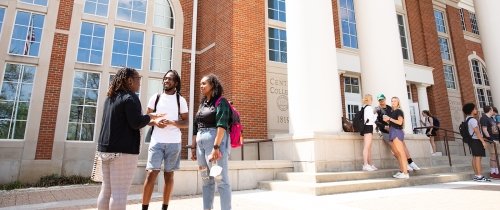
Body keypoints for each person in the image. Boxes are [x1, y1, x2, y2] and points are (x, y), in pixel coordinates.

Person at [97, 67, 164, 210]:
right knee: (119, 194)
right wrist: (150, 117)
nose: (139, 82)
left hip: (105, 150)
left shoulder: (110, 98)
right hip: (123, 152)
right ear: (129, 80)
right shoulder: (131, 97)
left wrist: (151, 120)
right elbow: (136, 123)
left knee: (106, 191)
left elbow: (126, 121)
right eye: (138, 79)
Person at [141, 70, 189, 210]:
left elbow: (186, 123)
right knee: (151, 174)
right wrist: (155, 123)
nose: (166, 81)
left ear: (176, 83)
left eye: (169, 79)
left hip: (174, 143)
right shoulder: (155, 98)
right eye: (165, 79)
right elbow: (146, 119)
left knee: (169, 175)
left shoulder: (181, 100)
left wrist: (173, 122)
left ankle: (164, 207)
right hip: (157, 141)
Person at [191, 74, 232, 210]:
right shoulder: (203, 104)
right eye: (200, 84)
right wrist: (193, 147)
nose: (201, 86)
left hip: (214, 144)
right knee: (206, 180)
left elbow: (222, 125)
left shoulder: (221, 102)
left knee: (220, 181)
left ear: (212, 85)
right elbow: (195, 126)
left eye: (204, 84)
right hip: (200, 146)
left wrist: (216, 147)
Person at [375, 94, 420, 171]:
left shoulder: (390, 108)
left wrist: (399, 128)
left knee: (403, 146)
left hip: (394, 130)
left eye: (382, 99)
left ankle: (411, 162)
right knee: (394, 149)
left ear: (385, 99)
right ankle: (404, 164)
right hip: (385, 132)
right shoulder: (377, 109)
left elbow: (395, 119)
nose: (381, 101)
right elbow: (375, 121)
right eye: (379, 100)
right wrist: (384, 126)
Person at [462, 103, 490, 182]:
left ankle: (477, 175)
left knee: (475, 157)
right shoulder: (473, 120)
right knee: (478, 158)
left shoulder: (467, 119)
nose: (476, 110)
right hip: (476, 140)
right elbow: (477, 132)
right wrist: (483, 142)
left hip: (471, 140)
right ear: (471, 110)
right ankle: (479, 176)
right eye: (474, 109)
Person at [383, 97, 409, 179]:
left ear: (398, 102)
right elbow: (393, 122)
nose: (393, 102)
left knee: (401, 153)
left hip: (397, 132)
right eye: (392, 101)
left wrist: (390, 119)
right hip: (392, 131)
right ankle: (402, 171)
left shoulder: (398, 111)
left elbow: (400, 122)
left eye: (395, 101)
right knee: (396, 153)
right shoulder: (392, 112)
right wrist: (387, 122)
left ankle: (405, 173)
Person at [479, 106, 499, 179]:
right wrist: (490, 139)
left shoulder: (491, 119)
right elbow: (484, 129)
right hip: (491, 140)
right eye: (492, 109)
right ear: (490, 110)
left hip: (496, 139)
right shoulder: (484, 118)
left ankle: (496, 171)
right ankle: (493, 173)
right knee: (493, 156)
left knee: (496, 156)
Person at [361, 94, 377, 171]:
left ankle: (369, 164)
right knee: (367, 147)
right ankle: (365, 164)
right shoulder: (369, 108)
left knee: (369, 147)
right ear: (370, 100)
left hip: (368, 127)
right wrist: (376, 114)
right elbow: (371, 119)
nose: (372, 100)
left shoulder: (365, 107)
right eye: (371, 99)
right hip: (368, 127)